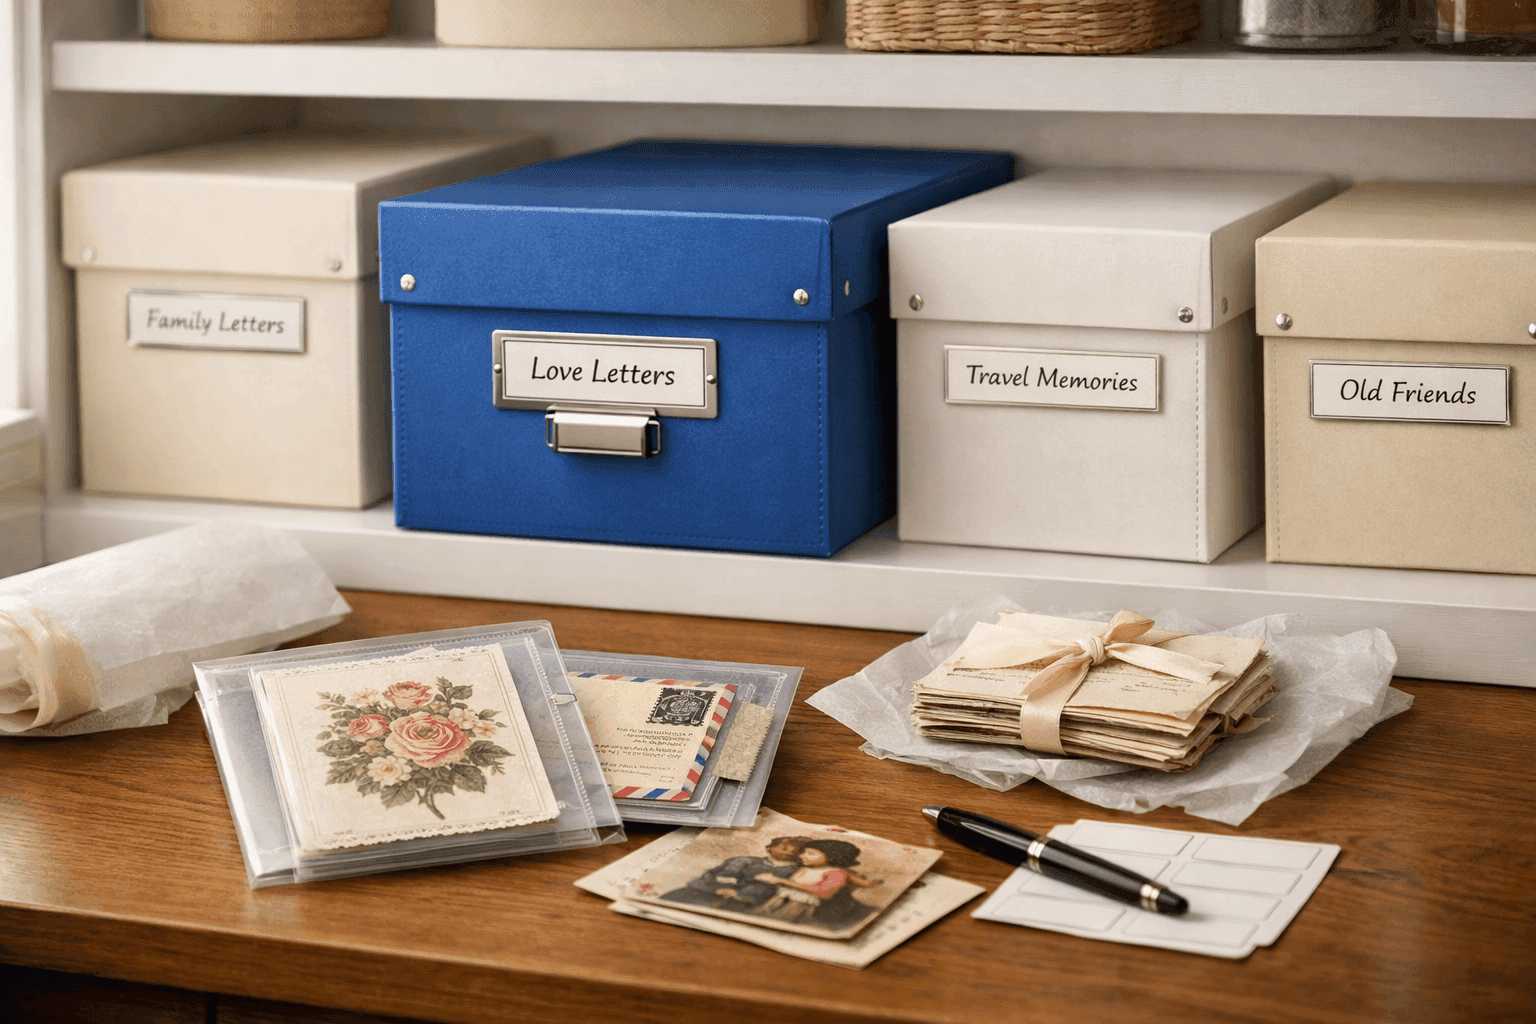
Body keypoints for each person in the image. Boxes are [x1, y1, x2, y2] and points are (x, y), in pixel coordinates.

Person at [754, 838, 881, 930]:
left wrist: (781, 881)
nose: (803, 855)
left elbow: (825, 893)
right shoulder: (805, 869)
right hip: (779, 901)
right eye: (804, 852)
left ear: (832, 856)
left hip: (801, 906)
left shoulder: (837, 873)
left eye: (811, 853)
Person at [659, 836, 810, 913]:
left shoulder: (797, 871)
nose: (789, 851)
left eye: (795, 850)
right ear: (770, 847)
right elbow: (715, 877)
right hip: (706, 893)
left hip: (745, 905)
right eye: (784, 847)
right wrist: (722, 888)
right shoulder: (744, 860)